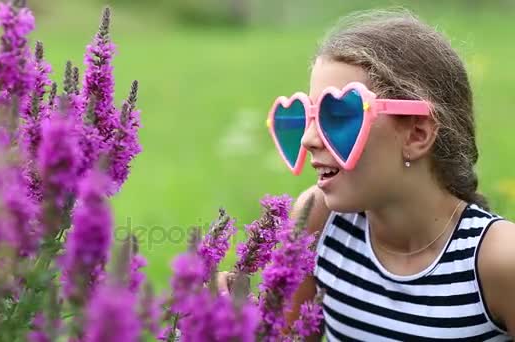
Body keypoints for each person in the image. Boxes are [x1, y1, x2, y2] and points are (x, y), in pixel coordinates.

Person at [219, 9, 515, 341]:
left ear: (417, 134)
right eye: (306, 116)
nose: (309, 139)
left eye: (339, 116)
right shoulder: (319, 221)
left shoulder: (499, 260)